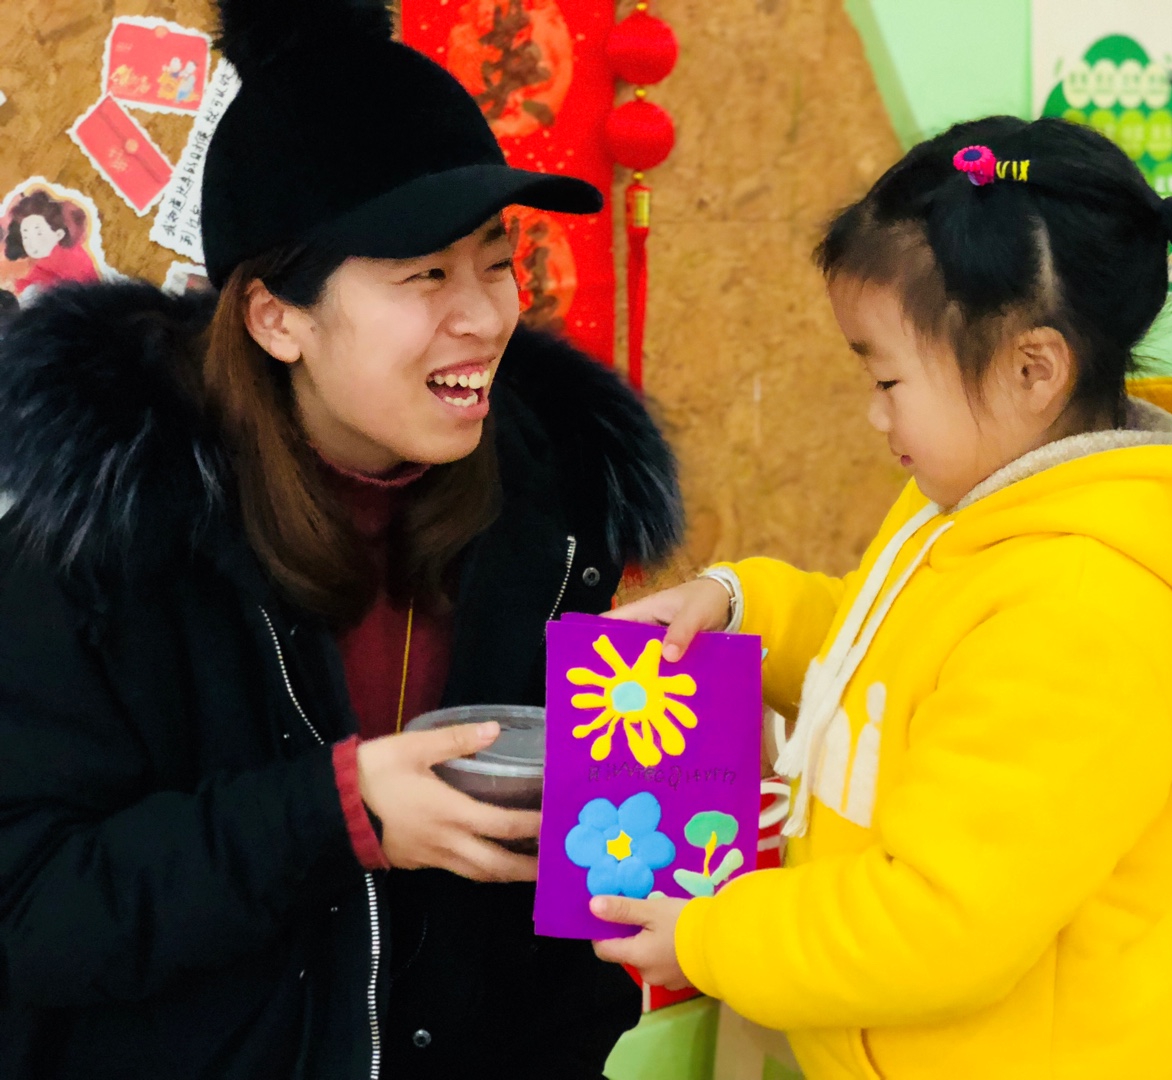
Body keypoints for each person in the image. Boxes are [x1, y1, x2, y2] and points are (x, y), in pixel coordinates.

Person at [0, 1, 682, 1077]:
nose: (485, 317)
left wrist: (678, 798)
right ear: (278, 318)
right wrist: (336, 814)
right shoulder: (97, 541)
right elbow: (34, 910)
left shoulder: (547, 516)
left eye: (496, 261)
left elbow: (550, 935)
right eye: (426, 276)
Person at [593, 115, 1172, 1079]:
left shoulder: (1085, 618)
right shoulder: (981, 496)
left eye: (888, 377)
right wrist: (742, 608)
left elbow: (939, 923)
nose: (875, 413)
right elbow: (892, 665)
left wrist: (712, 939)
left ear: (1033, 370)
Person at [2, 189, 100, 294]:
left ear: (58, 234)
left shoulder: (73, 259)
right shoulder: (44, 255)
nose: (31, 243)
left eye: (38, 234)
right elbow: (35, 278)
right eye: (25, 236)